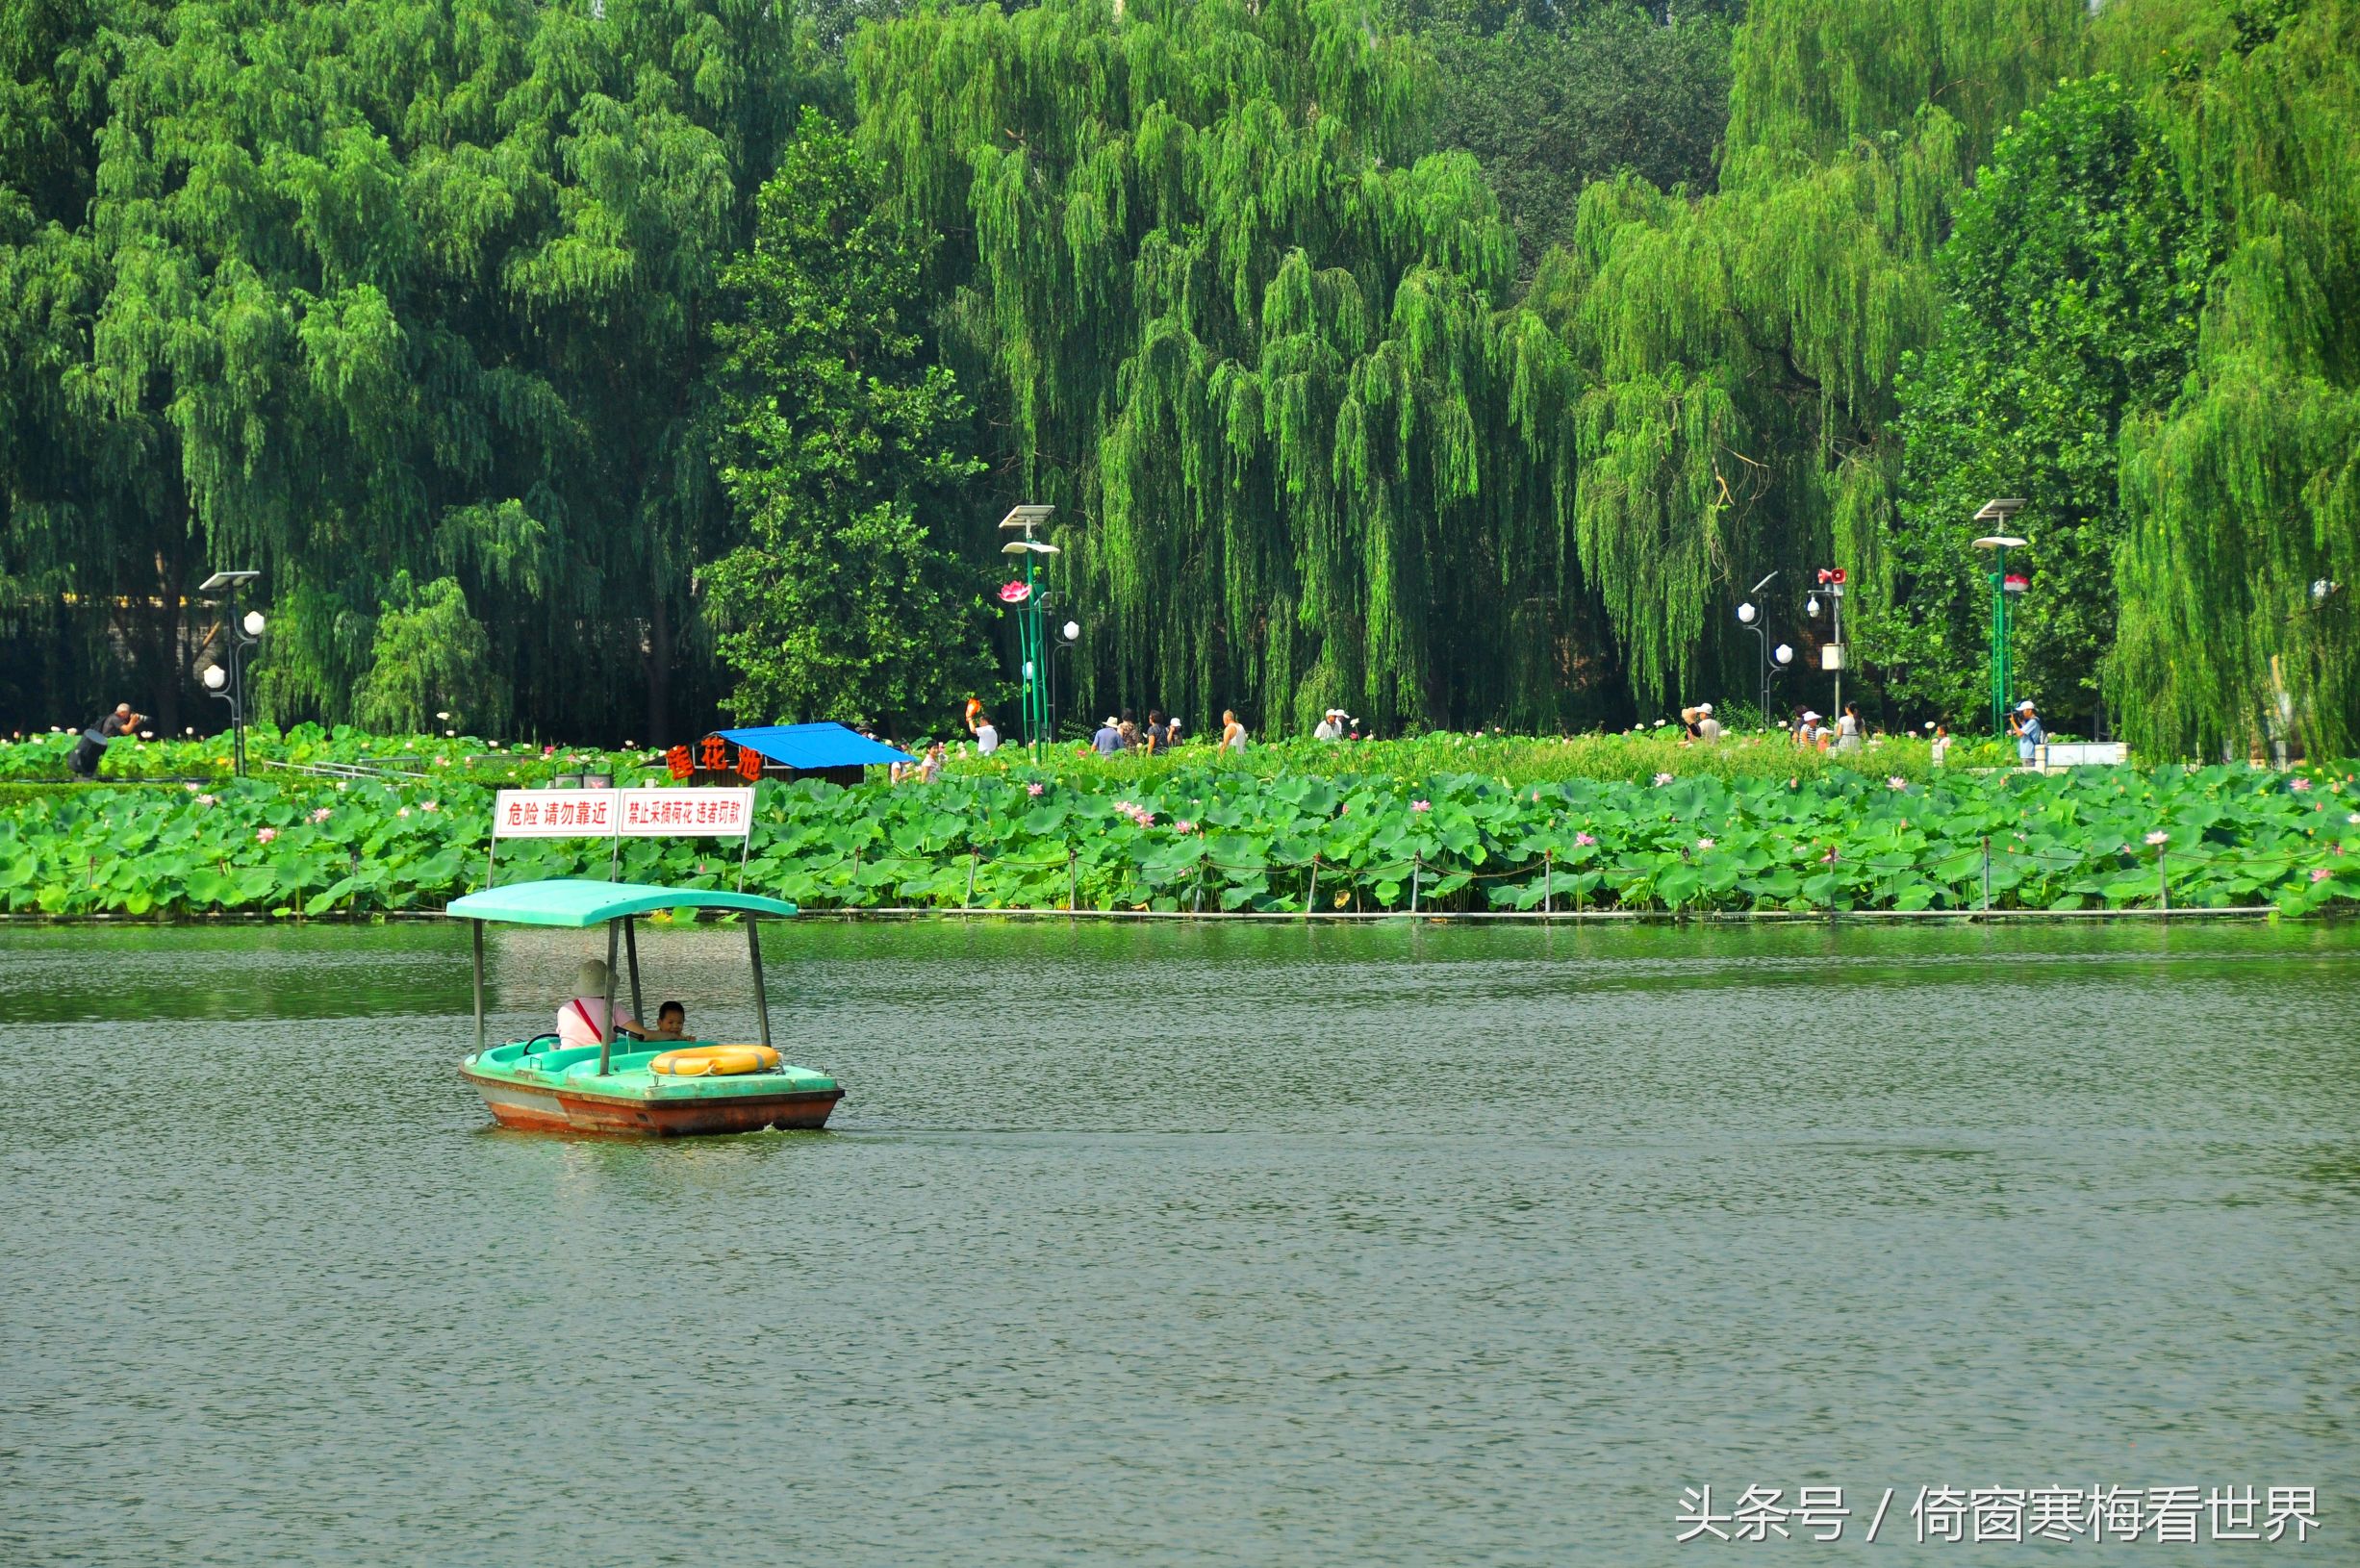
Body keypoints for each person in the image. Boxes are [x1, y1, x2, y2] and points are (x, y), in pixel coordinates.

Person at [556, 958, 642, 1048]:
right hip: (598, 1059)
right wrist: (657, 1034)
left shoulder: (564, 1010)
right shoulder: (611, 1007)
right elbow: (642, 1035)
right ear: (609, 985)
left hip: (567, 1058)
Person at [69, 702, 142, 780]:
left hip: (109, 743)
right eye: (127, 714)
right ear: (123, 713)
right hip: (108, 744)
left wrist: (134, 723)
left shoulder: (113, 717)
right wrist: (133, 720)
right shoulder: (115, 718)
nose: (127, 716)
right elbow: (126, 731)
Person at [2010, 699, 2044, 766]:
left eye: (2023, 711)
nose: (2022, 713)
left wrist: (2013, 722)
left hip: (2029, 754)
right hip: (2027, 754)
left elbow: (2019, 734)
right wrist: (2022, 724)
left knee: (2028, 775)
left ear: (2030, 710)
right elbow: (2024, 734)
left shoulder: (2033, 722)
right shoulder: (2033, 721)